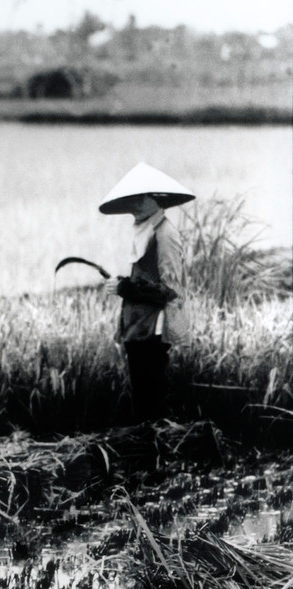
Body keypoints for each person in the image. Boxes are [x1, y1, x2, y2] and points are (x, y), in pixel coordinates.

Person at [99, 162, 193, 423]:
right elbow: (144, 279)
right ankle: (147, 451)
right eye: (132, 198)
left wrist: (126, 288)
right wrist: (123, 285)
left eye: (141, 197)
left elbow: (170, 290)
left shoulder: (165, 234)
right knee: (141, 396)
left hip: (154, 328)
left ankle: (156, 453)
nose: (134, 204)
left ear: (157, 199)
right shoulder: (146, 230)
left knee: (152, 397)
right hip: (138, 326)